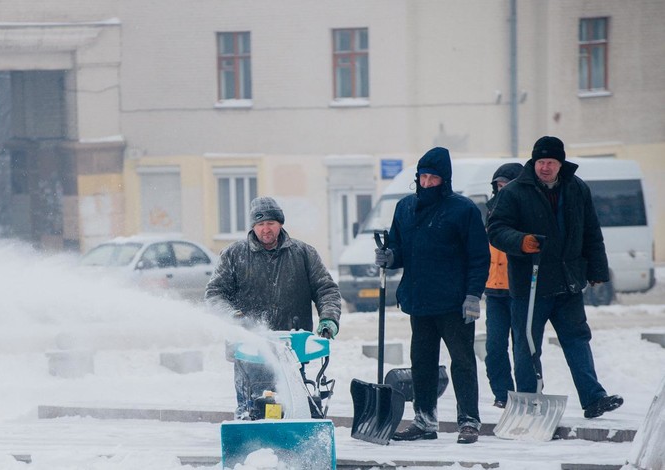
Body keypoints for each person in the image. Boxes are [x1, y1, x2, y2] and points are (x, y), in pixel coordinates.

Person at [487, 136, 623, 419]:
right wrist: (521, 241)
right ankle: (527, 401)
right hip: (530, 284)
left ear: (560, 163)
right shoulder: (514, 192)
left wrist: (596, 269)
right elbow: (496, 228)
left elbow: (591, 230)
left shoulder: (576, 188)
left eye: (550, 162)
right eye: (540, 161)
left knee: (577, 339)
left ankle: (593, 397)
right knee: (527, 345)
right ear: (533, 162)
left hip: (567, 281)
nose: (545, 167)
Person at [374, 147, 490, 444]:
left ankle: (468, 421)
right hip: (419, 300)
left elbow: (479, 257)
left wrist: (473, 294)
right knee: (421, 363)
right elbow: (400, 249)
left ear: (445, 180)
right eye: (422, 177)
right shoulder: (405, 208)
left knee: (462, 361)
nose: (426, 183)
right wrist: (389, 256)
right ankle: (424, 421)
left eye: (432, 178)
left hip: (455, 303)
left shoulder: (462, 210)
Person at [205, 196, 342, 420]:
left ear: (280, 224)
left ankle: (291, 447)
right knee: (253, 411)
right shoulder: (233, 255)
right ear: (252, 226)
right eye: (260, 224)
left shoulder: (303, 253)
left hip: (292, 347)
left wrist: (329, 318)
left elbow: (326, 289)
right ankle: (252, 449)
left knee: (292, 407)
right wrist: (232, 316)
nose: (265, 229)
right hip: (249, 349)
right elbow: (214, 294)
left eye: (270, 223)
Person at [483, 162, 523, 409]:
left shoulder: (526, 210)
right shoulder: (489, 211)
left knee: (523, 347)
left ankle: (528, 392)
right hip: (494, 289)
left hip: (519, 289)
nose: (501, 189)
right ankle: (502, 394)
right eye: (498, 185)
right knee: (494, 346)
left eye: (506, 184)